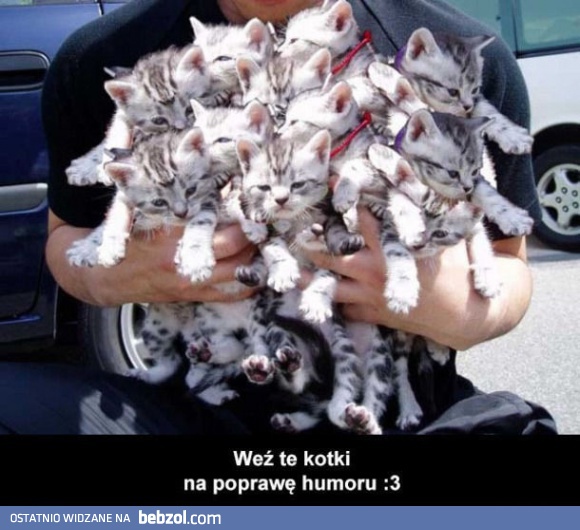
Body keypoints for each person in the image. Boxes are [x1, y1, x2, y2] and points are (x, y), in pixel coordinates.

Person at [14, 0, 554, 435]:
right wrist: (119, 275)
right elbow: (65, 238)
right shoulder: (100, 58)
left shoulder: (455, 53)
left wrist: (459, 310)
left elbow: (510, 261)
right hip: (175, 411)